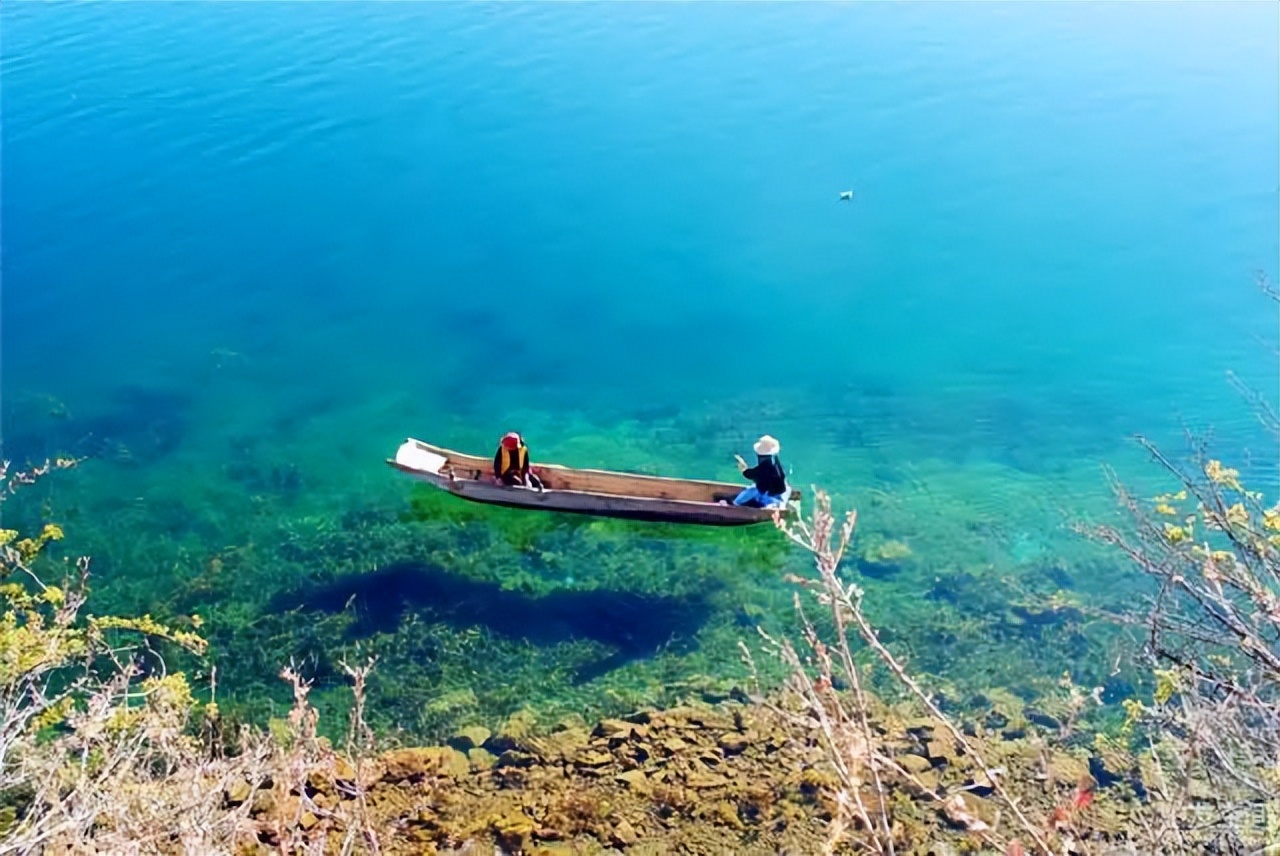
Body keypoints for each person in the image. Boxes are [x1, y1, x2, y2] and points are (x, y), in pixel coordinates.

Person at [732, 435, 790, 508]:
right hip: (782, 491)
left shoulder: (764, 467)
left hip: (772, 497)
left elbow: (750, 474)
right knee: (754, 488)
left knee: (749, 493)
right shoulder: (774, 461)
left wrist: (742, 466)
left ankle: (734, 505)